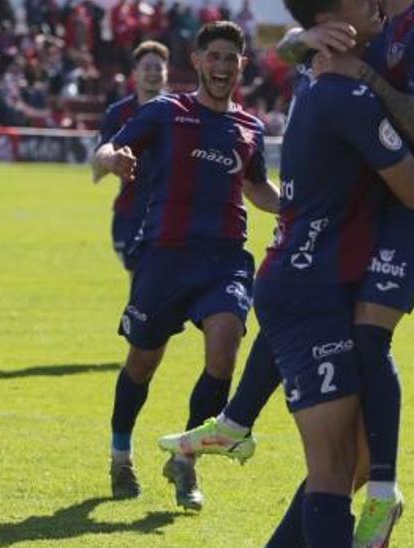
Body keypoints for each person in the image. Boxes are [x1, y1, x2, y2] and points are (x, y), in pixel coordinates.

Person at [158, 0, 414, 545]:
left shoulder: (322, 76)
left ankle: (236, 425)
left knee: (344, 459)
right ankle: (376, 493)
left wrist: (308, 39)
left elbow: (289, 47)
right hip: (312, 286)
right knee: (336, 465)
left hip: (302, 276)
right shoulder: (346, 95)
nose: (375, 7)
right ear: (337, 22)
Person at [91, 21, 280, 511]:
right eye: (213, 57)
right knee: (142, 362)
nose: (221, 67)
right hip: (165, 256)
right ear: (197, 61)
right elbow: (111, 146)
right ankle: (119, 453)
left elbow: (258, 188)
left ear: (241, 66)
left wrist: (299, 206)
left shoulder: (250, 127)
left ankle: (187, 462)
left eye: (230, 59)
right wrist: (114, 159)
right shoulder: (166, 111)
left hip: (224, 259)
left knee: (223, 350)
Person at [92, 40, 169, 272]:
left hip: (171, 209)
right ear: (134, 73)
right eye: (147, 67)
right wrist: (110, 162)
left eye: (159, 67)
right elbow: (100, 159)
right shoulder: (118, 113)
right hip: (131, 210)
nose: (153, 73)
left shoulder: (182, 112)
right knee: (140, 282)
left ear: (167, 73)